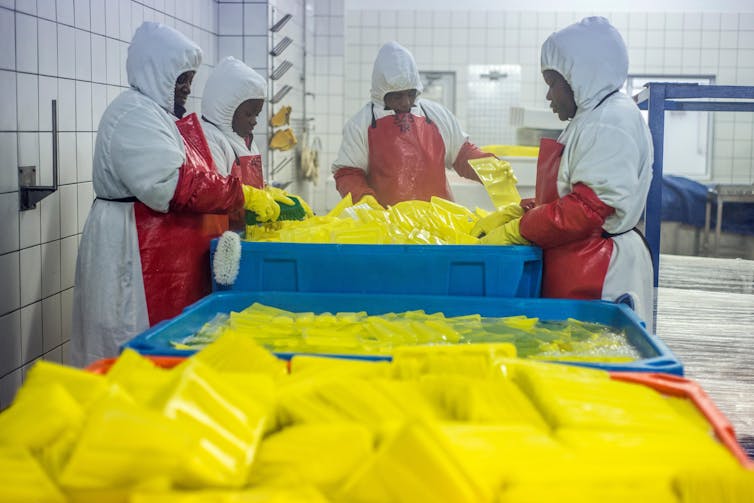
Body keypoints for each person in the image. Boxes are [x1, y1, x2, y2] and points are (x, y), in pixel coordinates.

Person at [72, 22, 249, 366]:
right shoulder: (133, 114)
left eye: (189, 79)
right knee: (127, 343)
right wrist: (239, 194)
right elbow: (168, 185)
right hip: (127, 250)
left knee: (150, 348)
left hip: (152, 248)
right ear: (155, 72)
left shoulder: (158, 115)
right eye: (180, 79)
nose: (186, 88)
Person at [471, 17, 654, 331]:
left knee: (591, 366)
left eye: (552, 83)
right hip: (577, 261)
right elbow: (569, 192)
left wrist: (520, 229)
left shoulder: (610, 122)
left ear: (580, 76)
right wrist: (521, 209)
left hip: (600, 274)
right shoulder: (590, 118)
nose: (549, 96)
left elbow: (587, 210)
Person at [331, 41, 493, 207]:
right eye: (397, 96)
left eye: (411, 94)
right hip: (386, 223)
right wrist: (364, 199)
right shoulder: (360, 125)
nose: (406, 102)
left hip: (440, 220)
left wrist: (491, 167)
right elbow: (348, 173)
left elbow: (462, 154)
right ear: (381, 94)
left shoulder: (437, 115)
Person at [200, 56, 310, 229]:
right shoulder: (211, 139)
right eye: (248, 114)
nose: (254, 121)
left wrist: (272, 194)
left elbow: (255, 188)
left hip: (248, 234)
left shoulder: (246, 141)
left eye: (256, 114)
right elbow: (217, 195)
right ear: (226, 108)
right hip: (223, 236)